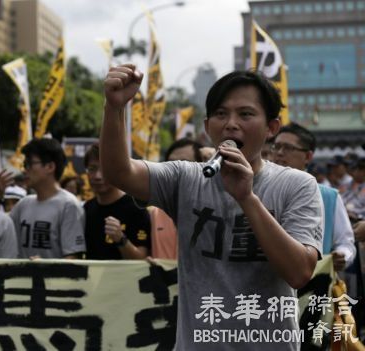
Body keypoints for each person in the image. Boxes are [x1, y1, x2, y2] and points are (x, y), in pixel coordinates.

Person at [101, 64, 322, 350]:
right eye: (220, 114)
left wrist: (247, 199)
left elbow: (299, 272)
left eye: (245, 114)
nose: (231, 124)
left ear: (272, 128)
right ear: (207, 127)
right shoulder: (186, 177)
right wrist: (114, 107)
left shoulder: (298, 186)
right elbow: (119, 172)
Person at [272, 123, 355, 272]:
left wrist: (341, 256)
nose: (279, 153)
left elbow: (345, 242)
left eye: (288, 148)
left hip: (314, 286)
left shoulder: (329, 197)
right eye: (276, 147)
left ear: (308, 156)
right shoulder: (257, 190)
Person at [0, 138, 85, 259]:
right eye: (25, 165)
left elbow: (73, 257)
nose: (25, 170)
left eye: (29, 164)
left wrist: (45, 267)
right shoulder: (23, 204)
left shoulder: (69, 205)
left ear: (50, 166)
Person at [83, 144, 150, 260]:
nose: (97, 176)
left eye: (104, 169)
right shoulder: (87, 208)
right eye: (92, 169)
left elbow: (141, 260)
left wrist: (121, 239)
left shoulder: (136, 207)